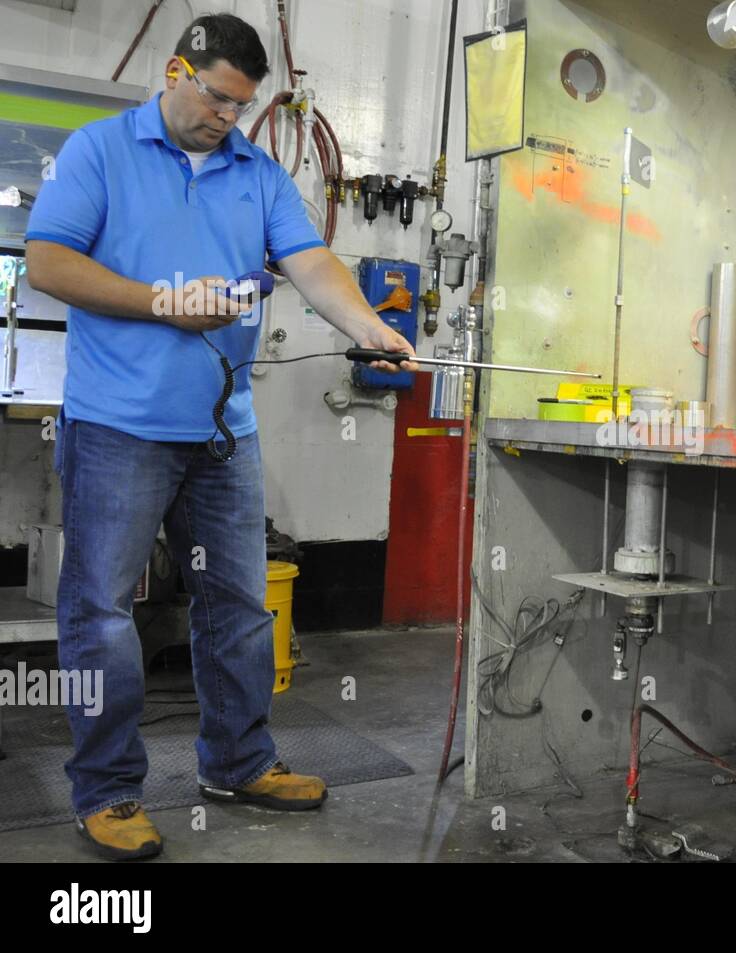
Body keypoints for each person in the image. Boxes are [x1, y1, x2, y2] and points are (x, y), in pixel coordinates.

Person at [24, 12, 417, 860]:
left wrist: (368, 324)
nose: (227, 120)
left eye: (241, 107)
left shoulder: (259, 173)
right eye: (217, 100)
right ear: (175, 72)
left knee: (238, 605)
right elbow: (48, 262)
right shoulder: (98, 151)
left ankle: (237, 762)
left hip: (222, 435)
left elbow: (311, 262)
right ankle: (107, 790)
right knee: (99, 613)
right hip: (117, 428)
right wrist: (161, 300)